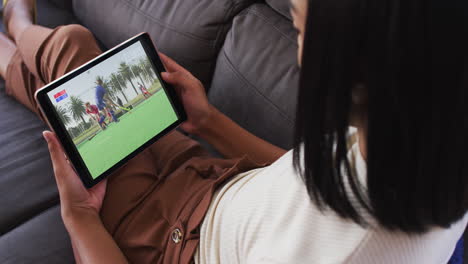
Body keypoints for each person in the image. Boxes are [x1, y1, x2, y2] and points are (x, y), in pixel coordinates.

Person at [0, 0, 467, 263]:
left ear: (350, 65)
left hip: (168, 238)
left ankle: (14, 26)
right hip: (212, 179)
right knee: (81, 75)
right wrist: (209, 122)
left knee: (70, 50)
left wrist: (80, 217)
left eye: (299, 30)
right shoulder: (423, 143)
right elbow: (304, 179)